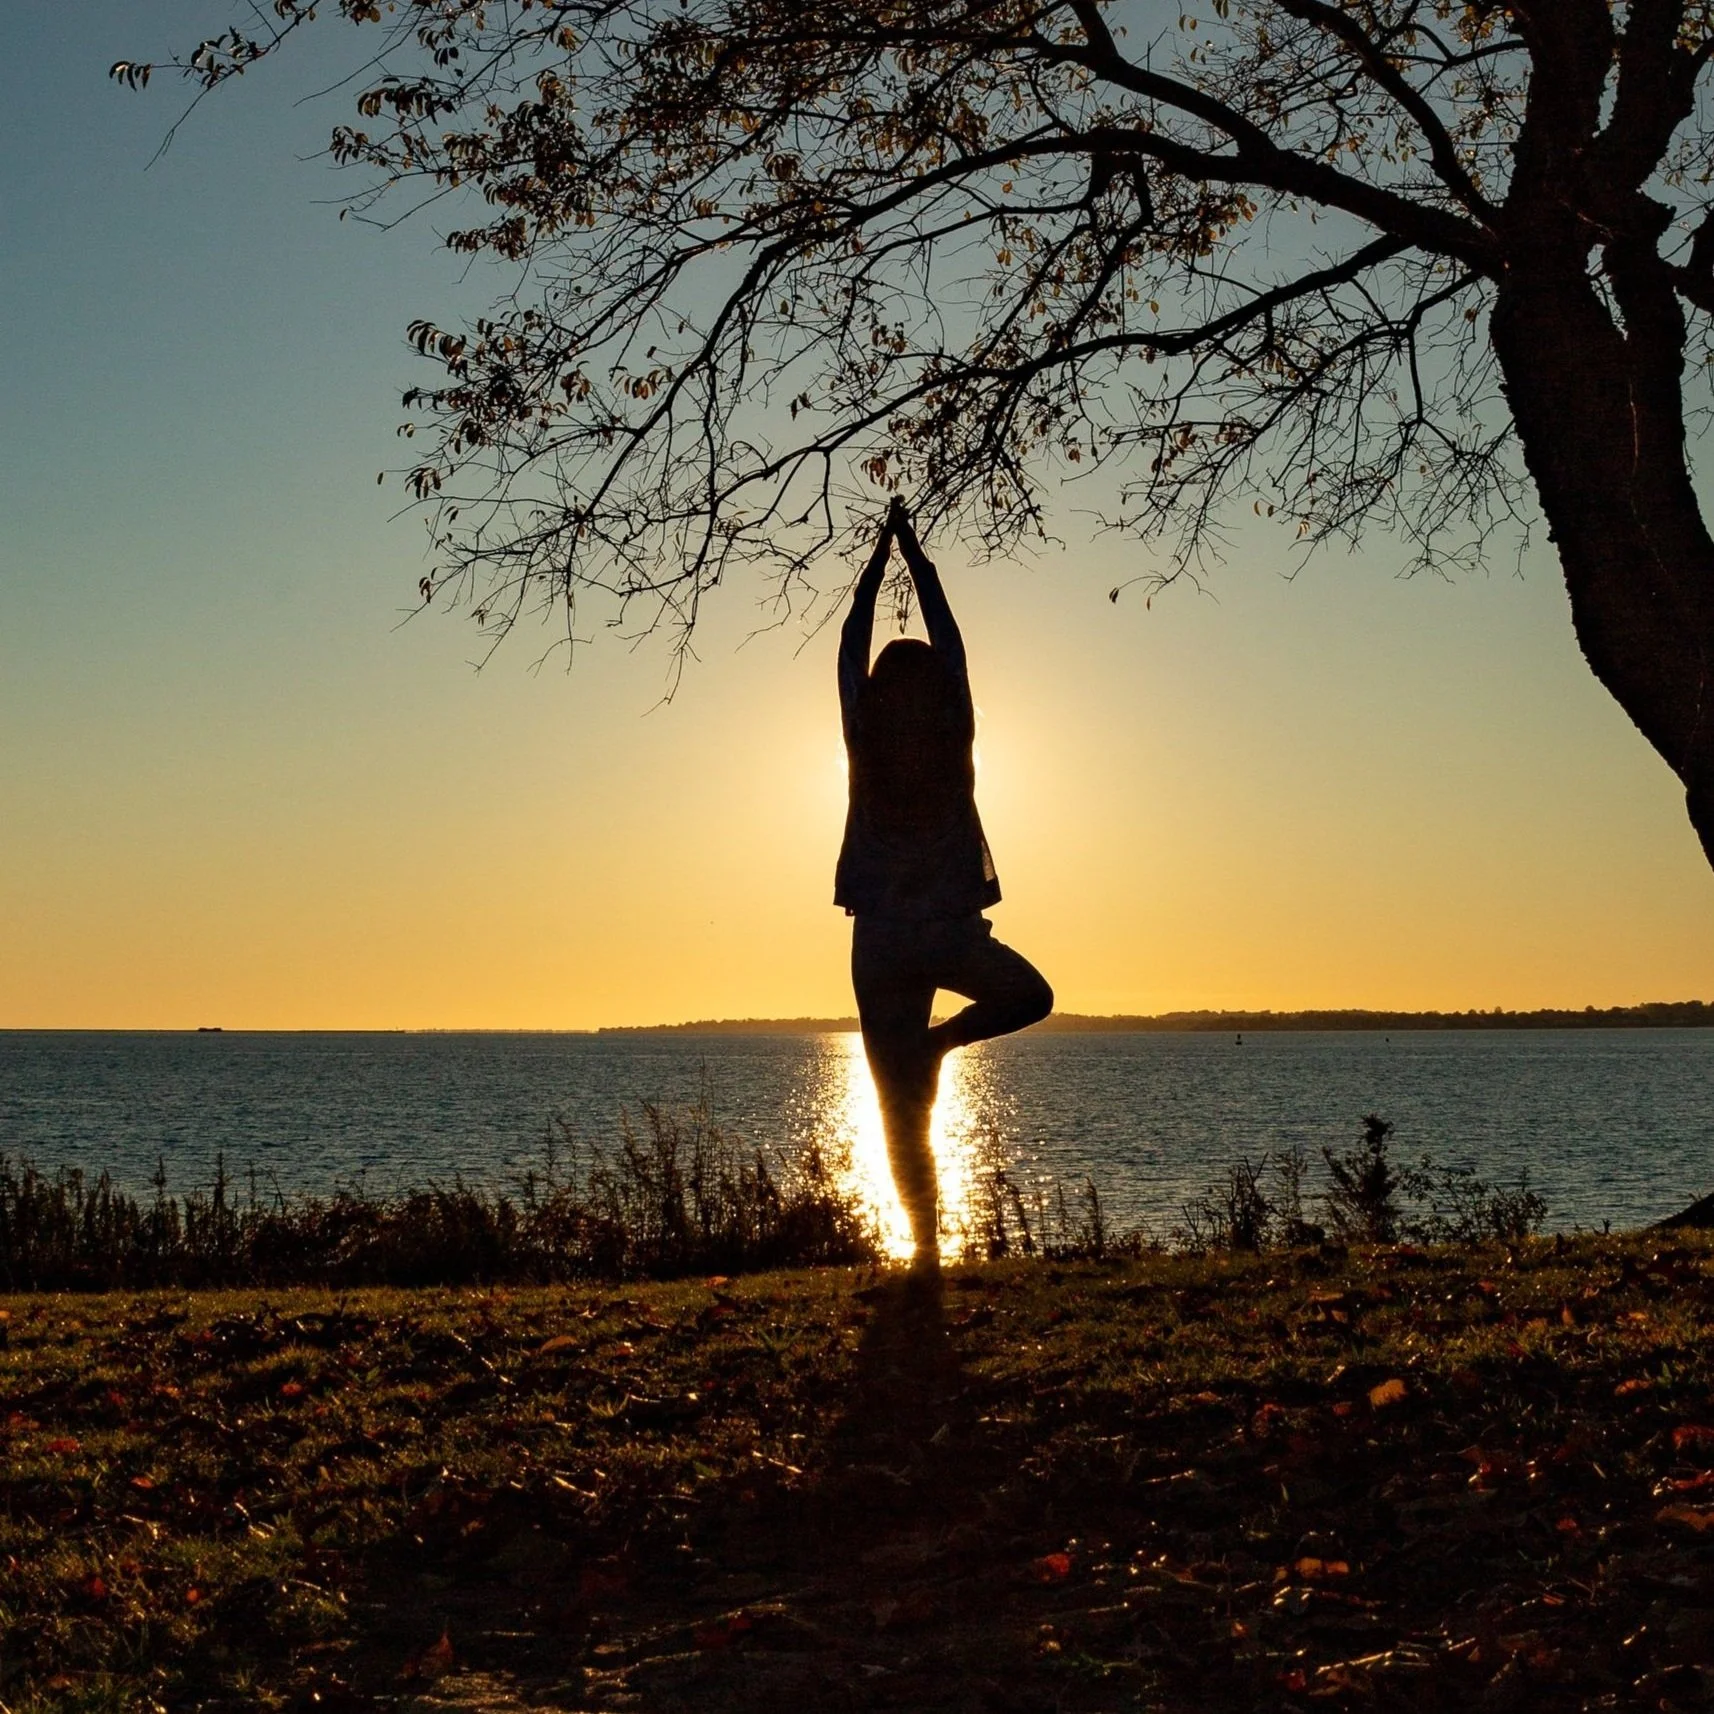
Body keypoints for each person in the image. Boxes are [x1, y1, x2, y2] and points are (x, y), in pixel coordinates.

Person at [836, 498, 1053, 1262]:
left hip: (883, 942)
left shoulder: (864, 736)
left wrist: (876, 567)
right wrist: (915, 557)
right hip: (943, 935)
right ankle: (925, 1245)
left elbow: (850, 647)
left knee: (897, 1107)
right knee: (1027, 998)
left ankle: (924, 1245)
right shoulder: (953, 733)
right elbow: (952, 647)